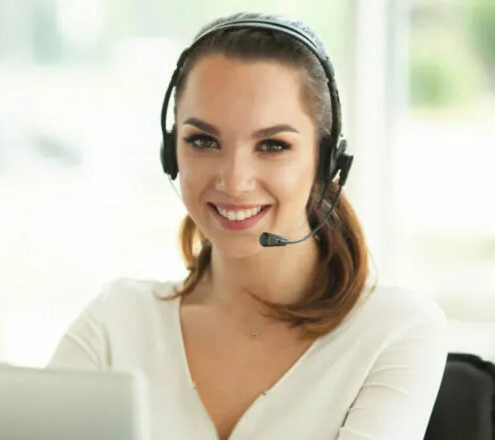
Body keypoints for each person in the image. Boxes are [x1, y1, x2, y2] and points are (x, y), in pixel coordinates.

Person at [49, 12, 448, 440]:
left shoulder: (394, 329)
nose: (234, 181)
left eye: (272, 145)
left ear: (326, 162)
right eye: (203, 141)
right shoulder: (117, 323)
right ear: (171, 153)